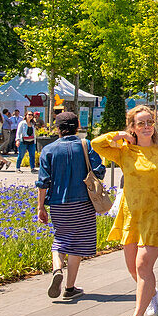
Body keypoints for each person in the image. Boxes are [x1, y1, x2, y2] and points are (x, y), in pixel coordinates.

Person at [92, 105, 158, 316]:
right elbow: (96, 145)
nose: (146, 127)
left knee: (144, 265)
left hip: (156, 214)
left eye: (150, 122)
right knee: (134, 268)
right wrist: (117, 135)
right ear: (132, 127)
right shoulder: (125, 152)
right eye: (141, 123)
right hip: (131, 215)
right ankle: (152, 294)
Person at [35, 111, 106, 301]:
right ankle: (69, 287)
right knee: (77, 245)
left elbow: (43, 182)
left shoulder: (48, 150)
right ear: (77, 126)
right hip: (83, 202)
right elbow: (99, 170)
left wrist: (40, 207)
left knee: (60, 239)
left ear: (57, 128)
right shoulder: (85, 145)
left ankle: (57, 268)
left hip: (58, 203)